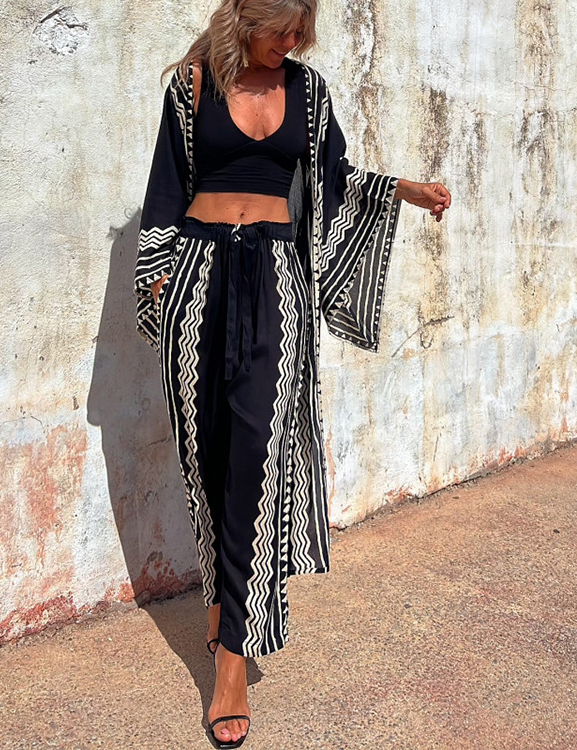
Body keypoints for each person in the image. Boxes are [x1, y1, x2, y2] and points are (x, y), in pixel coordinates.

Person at [133, 0, 451, 746]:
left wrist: (399, 189)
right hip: (197, 278)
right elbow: (165, 190)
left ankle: (233, 658)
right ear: (249, 16)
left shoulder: (309, 92)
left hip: (276, 283)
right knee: (206, 456)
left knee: (257, 458)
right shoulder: (192, 86)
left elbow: (333, 178)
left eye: (302, 31)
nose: (295, 41)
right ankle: (221, 598)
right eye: (285, 27)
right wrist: (157, 276)